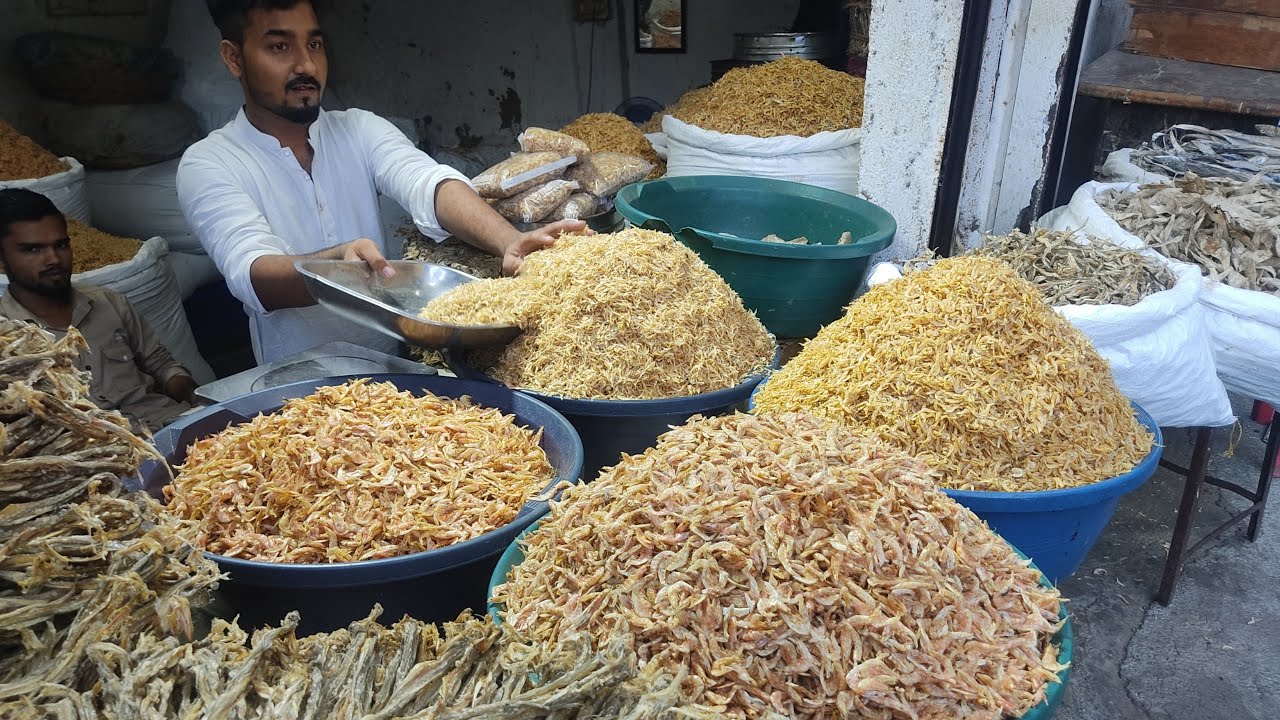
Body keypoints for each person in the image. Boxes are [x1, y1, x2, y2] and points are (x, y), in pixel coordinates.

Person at [177, 0, 586, 365]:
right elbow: (251, 273)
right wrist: (333, 267)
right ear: (233, 58)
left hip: (393, 374)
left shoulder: (358, 128)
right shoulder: (210, 163)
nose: (305, 65)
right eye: (279, 47)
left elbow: (428, 182)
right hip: (295, 390)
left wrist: (506, 239)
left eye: (314, 45)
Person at [0, 189, 197, 433]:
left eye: (60, 245)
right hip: (95, 458)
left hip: (167, 425)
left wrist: (195, 396)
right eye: (32, 249)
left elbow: (161, 365)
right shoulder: (6, 336)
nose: (53, 258)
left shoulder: (108, 302)